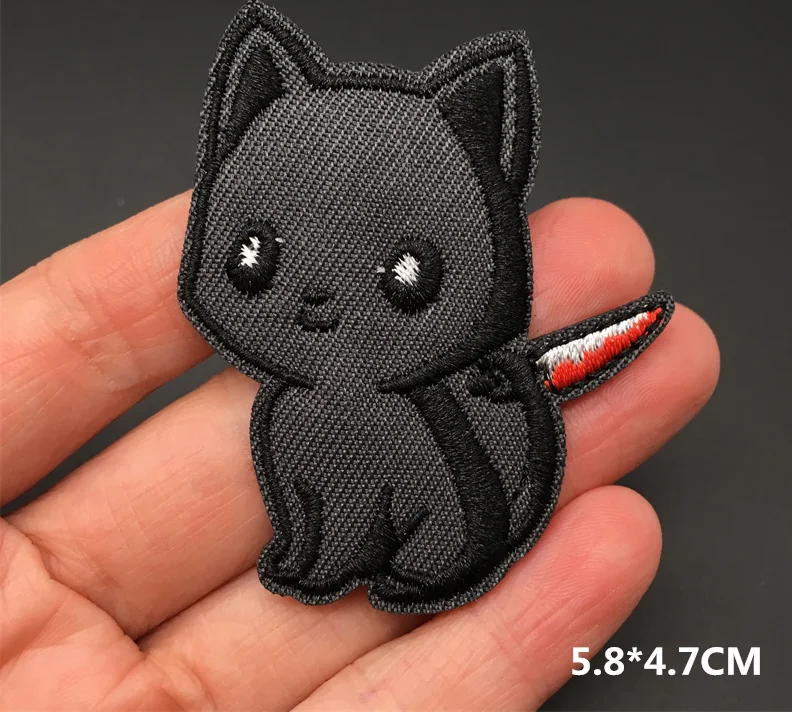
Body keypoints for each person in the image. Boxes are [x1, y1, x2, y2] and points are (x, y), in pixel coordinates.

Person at [0, 192, 719, 710]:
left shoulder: (394, 399)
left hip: (452, 522)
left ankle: (369, 561)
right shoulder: (293, 405)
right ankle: (320, 556)